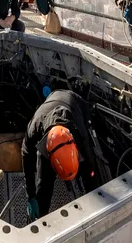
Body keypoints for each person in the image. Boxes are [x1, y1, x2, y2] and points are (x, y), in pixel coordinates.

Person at [21, 89, 100, 220]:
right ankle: (39, 218)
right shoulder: (34, 127)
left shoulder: (80, 135)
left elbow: (90, 165)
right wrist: (30, 195)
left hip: (75, 103)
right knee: (44, 183)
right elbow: (26, 156)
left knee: (88, 174)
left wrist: (93, 188)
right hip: (51, 104)